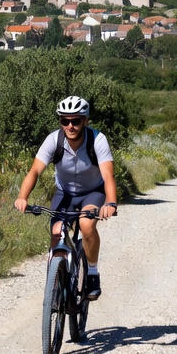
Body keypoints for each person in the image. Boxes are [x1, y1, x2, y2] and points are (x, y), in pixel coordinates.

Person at [14, 95, 118, 300]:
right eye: (65, 121)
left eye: (76, 121)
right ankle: (57, 278)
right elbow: (35, 171)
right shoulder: (54, 140)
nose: (70, 126)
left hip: (92, 192)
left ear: (85, 121)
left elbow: (108, 175)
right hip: (65, 193)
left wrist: (110, 202)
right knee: (56, 231)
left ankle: (92, 273)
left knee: (86, 225)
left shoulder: (97, 140)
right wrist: (22, 197)